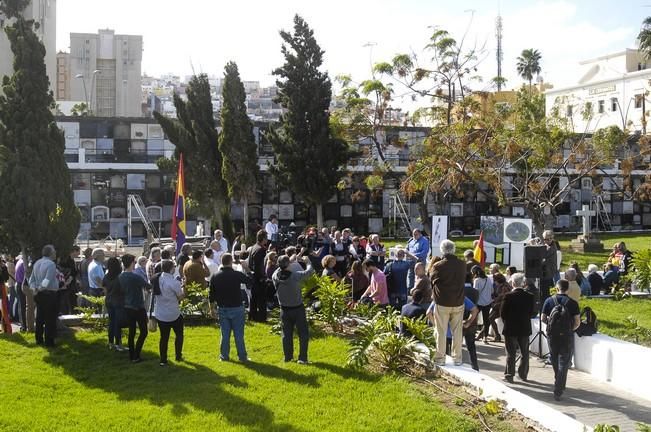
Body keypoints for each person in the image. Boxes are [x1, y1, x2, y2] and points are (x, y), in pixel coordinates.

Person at [542, 279, 581, 401]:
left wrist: (550, 326)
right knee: (564, 362)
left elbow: (543, 318)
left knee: (554, 358)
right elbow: (577, 322)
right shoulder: (573, 303)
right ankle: (559, 388)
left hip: (552, 336)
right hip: (566, 335)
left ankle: (558, 380)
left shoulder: (549, 301)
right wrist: (570, 329)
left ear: (556, 288)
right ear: (568, 289)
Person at [209, 253, 252, 362]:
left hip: (222, 308)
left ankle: (224, 356)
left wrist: (211, 309)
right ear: (231, 262)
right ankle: (242, 357)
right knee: (238, 335)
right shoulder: (236, 274)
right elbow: (250, 281)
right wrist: (247, 268)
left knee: (225, 334)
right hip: (236, 307)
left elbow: (211, 295)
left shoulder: (215, 276)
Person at [273, 255, 314, 363]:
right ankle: (302, 358)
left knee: (286, 335)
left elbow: (279, 268)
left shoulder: (275, 276)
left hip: (284, 309)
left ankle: (288, 357)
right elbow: (309, 272)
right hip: (297, 308)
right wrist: (308, 261)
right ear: (289, 265)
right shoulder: (294, 276)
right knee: (303, 334)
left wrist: (287, 262)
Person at [431, 240, 466, 366]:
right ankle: (457, 358)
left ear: (442, 250)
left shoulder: (438, 266)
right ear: (454, 249)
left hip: (442, 302)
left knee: (441, 331)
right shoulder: (462, 264)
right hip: (458, 301)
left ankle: (440, 358)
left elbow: (432, 281)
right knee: (457, 331)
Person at [500, 272, 534, 383]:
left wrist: (507, 321)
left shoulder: (508, 296)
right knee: (524, 352)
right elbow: (531, 312)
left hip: (510, 327)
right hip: (524, 327)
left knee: (511, 352)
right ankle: (523, 374)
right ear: (523, 283)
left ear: (513, 283)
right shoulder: (530, 296)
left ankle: (509, 374)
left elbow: (503, 313)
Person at [119, 254, 151, 363]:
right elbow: (148, 286)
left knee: (132, 332)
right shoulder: (135, 277)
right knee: (143, 332)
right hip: (138, 306)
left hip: (127, 306)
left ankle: (132, 355)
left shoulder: (120, 277)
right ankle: (136, 354)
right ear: (132, 263)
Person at [28, 245, 60, 347]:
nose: (55, 253)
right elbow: (47, 280)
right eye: (54, 251)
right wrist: (40, 288)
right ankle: (49, 342)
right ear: (50, 253)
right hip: (48, 294)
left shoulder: (37, 262)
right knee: (50, 319)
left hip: (39, 294)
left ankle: (39, 339)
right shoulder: (51, 264)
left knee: (40, 318)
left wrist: (34, 289)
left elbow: (31, 280)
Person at [155, 259, 185, 366]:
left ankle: (163, 360)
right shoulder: (174, 282)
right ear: (171, 269)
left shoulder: (156, 279)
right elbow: (181, 297)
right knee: (179, 334)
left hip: (161, 313)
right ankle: (178, 355)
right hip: (173, 313)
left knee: (164, 337)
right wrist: (183, 286)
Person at [103, 257, 126, 352]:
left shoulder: (106, 276)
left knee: (111, 322)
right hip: (118, 301)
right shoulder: (120, 277)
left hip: (109, 300)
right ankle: (118, 343)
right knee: (117, 323)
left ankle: (110, 342)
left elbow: (105, 290)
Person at [472, 265, 498, 343]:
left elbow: (475, 292)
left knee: (473, 318)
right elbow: (492, 291)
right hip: (488, 302)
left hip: (479, 302)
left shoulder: (477, 280)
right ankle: (485, 337)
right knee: (486, 320)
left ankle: (472, 333)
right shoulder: (489, 279)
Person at [248, 230, 269, 322]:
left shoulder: (253, 247)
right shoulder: (261, 249)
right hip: (258, 278)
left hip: (253, 277)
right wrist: (262, 278)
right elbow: (259, 265)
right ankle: (262, 318)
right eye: (266, 238)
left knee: (254, 299)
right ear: (263, 239)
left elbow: (250, 263)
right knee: (261, 299)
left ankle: (252, 316)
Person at [57, 246, 80, 316]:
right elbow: (70, 273)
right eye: (78, 251)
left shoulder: (72, 260)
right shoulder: (67, 260)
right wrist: (66, 283)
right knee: (67, 302)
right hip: (67, 285)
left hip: (70, 285)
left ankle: (73, 314)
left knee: (72, 301)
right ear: (74, 251)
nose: (79, 254)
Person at [541, 230, 558, 302]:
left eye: (548, 239)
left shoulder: (552, 247)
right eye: (545, 239)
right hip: (546, 273)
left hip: (548, 274)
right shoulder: (548, 245)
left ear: (552, 238)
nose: (546, 241)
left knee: (546, 295)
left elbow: (543, 254)